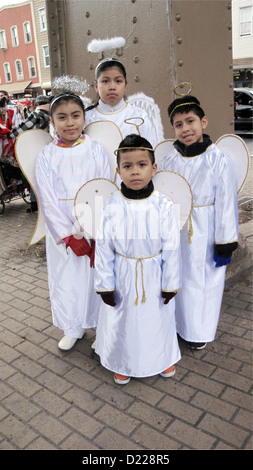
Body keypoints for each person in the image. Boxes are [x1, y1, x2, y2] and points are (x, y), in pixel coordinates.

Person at [94, 134, 181, 384]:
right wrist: (105, 284)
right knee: (125, 320)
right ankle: (122, 360)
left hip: (155, 273)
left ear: (154, 168)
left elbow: (172, 247)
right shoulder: (112, 205)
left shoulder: (162, 204)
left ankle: (162, 358)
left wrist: (170, 283)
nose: (135, 172)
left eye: (142, 165)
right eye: (127, 166)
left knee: (157, 319)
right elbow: (104, 247)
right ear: (118, 170)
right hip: (123, 272)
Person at [159, 95, 239, 350]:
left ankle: (199, 331)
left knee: (203, 282)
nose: (186, 129)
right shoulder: (171, 159)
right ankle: (179, 325)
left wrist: (225, 241)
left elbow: (226, 201)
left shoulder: (217, 159)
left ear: (203, 122)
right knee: (178, 277)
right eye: (179, 124)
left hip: (206, 230)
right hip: (177, 228)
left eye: (190, 121)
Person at [35, 93, 112, 351]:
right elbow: (47, 198)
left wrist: (90, 228)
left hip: (92, 225)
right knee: (66, 278)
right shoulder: (47, 156)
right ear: (53, 122)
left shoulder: (95, 149)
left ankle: (102, 325)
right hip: (63, 232)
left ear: (84, 117)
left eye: (75, 115)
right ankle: (72, 327)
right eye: (62, 117)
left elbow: (104, 186)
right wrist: (69, 234)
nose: (70, 123)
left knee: (96, 277)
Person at [85, 58, 160, 148]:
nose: (112, 87)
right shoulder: (85, 118)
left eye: (118, 81)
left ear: (125, 86)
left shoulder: (140, 117)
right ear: (96, 86)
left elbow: (152, 154)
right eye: (105, 81)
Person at [8, 94, 51, 212]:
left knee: (34, 176)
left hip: (36, 149)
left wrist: (9, 134)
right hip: (49, 149)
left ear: (37, 104)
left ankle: (34, 203)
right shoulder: (51, 115)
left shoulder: (36, 115)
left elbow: (20, 129)